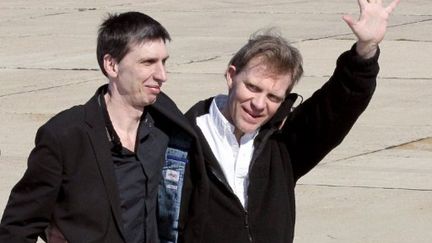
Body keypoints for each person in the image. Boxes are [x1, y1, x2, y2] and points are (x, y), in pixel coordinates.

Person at [178, 0, 401, 242]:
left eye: (273, 96)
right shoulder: (180, 141)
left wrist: (365, 49)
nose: (259, 104)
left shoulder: (282, 144)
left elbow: (338, 106)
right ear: (231, 76)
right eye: (252, 87)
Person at [0, 11, 203, 243]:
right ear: (112, 65)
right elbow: (17, 227)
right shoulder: (65, 136)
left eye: (163, 62)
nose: (162, 75)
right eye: (148, 62)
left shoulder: (165, 122)